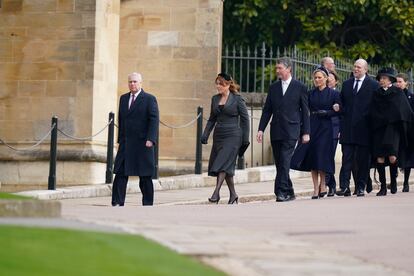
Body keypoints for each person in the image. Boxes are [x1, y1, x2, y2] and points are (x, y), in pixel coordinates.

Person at [257, 57, 310, 202]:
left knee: (285, 160)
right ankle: (290, 191)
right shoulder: (273, 87)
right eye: (277, 68)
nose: (277, 71)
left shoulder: (300, 87)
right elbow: (267, 110)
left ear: (288, 69)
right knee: (280, 162)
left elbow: (305, 112)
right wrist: (261, 129)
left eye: (280, 68)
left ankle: (280, 191)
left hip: (292, 130)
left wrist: (306, 132)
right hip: (276, 130)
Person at [291, 67, 341, 199]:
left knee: (322, 156)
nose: (317, 80)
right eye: (315, 78)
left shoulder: (334, 94)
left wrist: (328, 112)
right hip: (312, 125)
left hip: (326, 127)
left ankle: (323, 184)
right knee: (313, 157)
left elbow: (339, 110)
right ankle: (315, 189)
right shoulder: (310, 93)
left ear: (326, 79)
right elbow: (303, 109)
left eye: (320, 77)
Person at [201, 73, 250, 204]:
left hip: (233, 135)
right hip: (219, 135)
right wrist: (205, 134)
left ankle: (216, 193)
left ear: (228, 85)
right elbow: (212, 119)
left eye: (220, 84)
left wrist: (245, 139)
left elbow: (245, 120)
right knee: (226, 167)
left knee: (222, 164)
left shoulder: (237, 99)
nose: (218, 86)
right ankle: (233, 195)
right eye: (216, 83)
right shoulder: (214, 99)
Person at [112, 72, 159, 206]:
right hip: (126, 143)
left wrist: (151, 139)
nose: (132, 84)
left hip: (143, 143)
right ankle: (117, 201)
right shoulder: (123, 98)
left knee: (144, 176)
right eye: (130, 82)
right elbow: (121, 120)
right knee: (120, 173)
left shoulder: (149, 99)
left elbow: (154, 120)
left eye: (135, 82)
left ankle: (148, 203)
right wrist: (120, 139)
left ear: (140, 83)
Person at [336, 59, 379, 197]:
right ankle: (344, 187)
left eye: (359, 67)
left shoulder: (373, 85)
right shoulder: (347, 84)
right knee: (346, 159)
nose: (356, 69)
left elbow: (377, 107)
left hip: (364, 130)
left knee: (362, 160)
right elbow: (342, 102)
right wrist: (338, 107)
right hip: (348, 129)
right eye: (355, 67)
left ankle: (361, 186)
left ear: (366, 70)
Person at [368, 68, 413, 196]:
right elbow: (372, 111)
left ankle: (393, 181)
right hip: (378, 128)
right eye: (380, 78)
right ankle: (383, 186)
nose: (381, 80)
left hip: (392, 129)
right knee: (380, 157)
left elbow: (405, 111)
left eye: (384, 78)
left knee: (392, 157)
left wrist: (397, 122)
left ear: (390, 80)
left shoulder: (397, 92)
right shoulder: (376, 93)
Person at [396, 73, 414, 192]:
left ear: (406, 83)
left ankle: (406, 182)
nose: (398, 84)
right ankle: (394, 175)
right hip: (395, 130)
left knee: (408, 156)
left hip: (409, 131)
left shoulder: (411, 97)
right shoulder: (392, 95)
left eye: (400, 82)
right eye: (396, 81)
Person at [325, 70, 340, 196]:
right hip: (321, 128)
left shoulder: (338, 94)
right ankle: (331, 184)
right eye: (327, 78)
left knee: (329, 156)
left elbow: (341, 114)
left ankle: (329, 184)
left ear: (336, 81)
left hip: (334, 129)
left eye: (331, 79)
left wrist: (340, 130)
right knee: (324, 156)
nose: (328, 80)